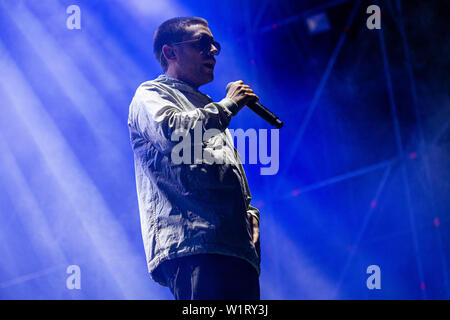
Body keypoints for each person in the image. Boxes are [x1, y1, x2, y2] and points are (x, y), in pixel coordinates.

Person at [128, 16, 261, 300]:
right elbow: (172, 133)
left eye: (215, 44)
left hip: (235, 249)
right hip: (195, 245)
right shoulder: (150, 94)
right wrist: (227, 106)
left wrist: (250, 214)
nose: (213, 50)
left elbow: (225, 172)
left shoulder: (204, 108)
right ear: (170, 52)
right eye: (203, 43)